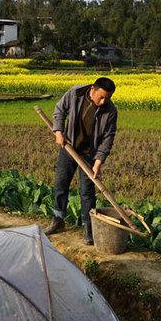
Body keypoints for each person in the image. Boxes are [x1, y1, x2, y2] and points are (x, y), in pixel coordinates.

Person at [43, 77, 117, 245]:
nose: (104, 101)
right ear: (93, 89)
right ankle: (58, 219)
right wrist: (59, 132)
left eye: (108, 98)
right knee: (61, 184)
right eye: (101, 97)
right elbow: (59, 110)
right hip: (68, 147)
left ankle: (88, 226)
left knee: (87, 192)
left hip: (89, 154)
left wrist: (98, 162)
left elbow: (108, 137)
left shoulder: (110, 111)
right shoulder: (75, 93)